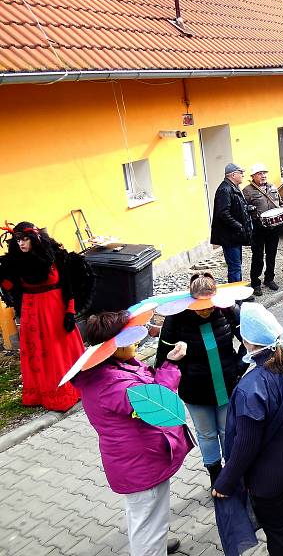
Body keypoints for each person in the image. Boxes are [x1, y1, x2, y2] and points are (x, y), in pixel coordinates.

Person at [73, 311, 191, 556]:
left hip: (139, 460)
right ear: (112, 347)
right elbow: (159, 404)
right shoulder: (114, 384)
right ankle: (150, 547)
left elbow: (146, 386)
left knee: (146, 515)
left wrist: (166, 361)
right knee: (146, 519)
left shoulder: (112, 368)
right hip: (140, 463)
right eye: (129, 339)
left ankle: (154, 541)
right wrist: (172, 365)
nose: (135, 342)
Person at [212, 303, 283, 556]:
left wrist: (225, 481)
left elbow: (245, 445)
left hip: (269, 480)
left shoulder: (251, 387)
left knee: (281, 534)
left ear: (247, 342)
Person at [155, 274, 242, 486]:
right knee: (207, 434)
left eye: (209, 305)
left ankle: (232, 475)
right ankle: (215, 475)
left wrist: (239, 367)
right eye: (200, 306)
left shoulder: (228, 310)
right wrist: (174, 358)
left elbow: (249, 341)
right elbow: (162, 359)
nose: (205, 310)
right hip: (195, 389)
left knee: (227, 431)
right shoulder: (176, 318)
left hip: (226, 384)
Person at [0, 222, 89, 411]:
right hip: (31, 312)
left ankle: (71, 390)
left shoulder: (55, 256)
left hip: (55, 309)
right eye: (18, 240)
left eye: (25, 239)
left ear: (34, 239)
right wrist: (4, 278)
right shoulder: (16, 261)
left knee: (58, 350)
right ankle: (43, 393)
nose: (21, 244)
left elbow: (68, 286)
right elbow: (11, 287)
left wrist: (70, 311)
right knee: (38, 352)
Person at [242, 163, 281, 295]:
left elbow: (279, 203)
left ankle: (269, 279)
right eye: (260, 173)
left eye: (264, 173)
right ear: (253, 176)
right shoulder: (247, 191)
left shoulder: (272, 187)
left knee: (272, 254)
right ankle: (255, 282)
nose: (263, 175)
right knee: (258, 256)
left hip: (274, 227)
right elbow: (243, 210)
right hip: (258, 228)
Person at [210, 163, 253, 283]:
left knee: (237, 265)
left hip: (234, 235)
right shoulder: (225, 189)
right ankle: (236, 297)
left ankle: (238, 292)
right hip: (229, 236)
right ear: (233, 174)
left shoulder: (232, 187)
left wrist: (247, 208)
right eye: (241, 173)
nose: (243, 175)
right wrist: (239, 226)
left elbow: (235, 207)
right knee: (235, 267)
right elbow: (223, 213)